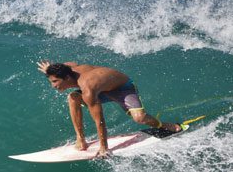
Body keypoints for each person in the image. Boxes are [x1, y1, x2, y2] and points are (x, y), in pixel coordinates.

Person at [37, 60, 181, 159]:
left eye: (55, 81)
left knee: (140, 118)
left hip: (123, 88)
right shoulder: (68, 69)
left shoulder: (88, 87)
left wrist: (104, 148)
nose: (53, 86)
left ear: (67, 77)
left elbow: (99, 120)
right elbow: (68, 64)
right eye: (51, 81)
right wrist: (49, 70)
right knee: (73, 97)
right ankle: (80, 139)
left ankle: (164, 125)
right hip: (102, 90)